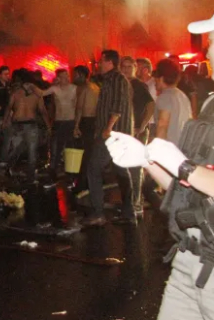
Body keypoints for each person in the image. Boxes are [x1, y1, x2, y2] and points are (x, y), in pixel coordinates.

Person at [105, 133, 214, 320]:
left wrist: (185, 167)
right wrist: (146, 160)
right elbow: (185, 192)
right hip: (189, 259)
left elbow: (190, 172)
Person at [81, 50, 135, 227]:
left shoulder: (117, 79)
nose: (98, 64)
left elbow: (118, 107)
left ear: (109, 62)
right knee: (121, 171)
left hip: (113, 135)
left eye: (101, 61)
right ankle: (129, 212)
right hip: (114, 134)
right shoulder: (110, 80)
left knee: (93, 168)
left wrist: (108, 128)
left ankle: (98, 213)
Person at [121, 56, 155, 217]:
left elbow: (151, 105)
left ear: (135, 68)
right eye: (124, 66)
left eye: (130, 66)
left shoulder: (138, 85)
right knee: (127, 168)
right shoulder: (123, 85)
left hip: (136, 132)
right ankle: (132, 202)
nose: (126, 69)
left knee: (134, 168)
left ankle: (136, 203)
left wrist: (141, 126)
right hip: (126, 132)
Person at [28, 68, 77, 179]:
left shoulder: (74, 88)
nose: (66, 78)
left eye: (67, 76)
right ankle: (53, 171)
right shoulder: (55, 88)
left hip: (71, 121)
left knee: (70, 147)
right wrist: (32, 86)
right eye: (63, 76)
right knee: (56, 148)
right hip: (59, 122)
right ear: (58, 78)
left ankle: (71, 173)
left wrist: (77, 123)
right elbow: (42, 93)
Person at [4, 70, 50, 182]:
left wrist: (48, 126)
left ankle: (30, 176)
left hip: (29, 125)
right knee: (18, 150)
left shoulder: (34, 95)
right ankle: (10, 168)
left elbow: (43, 111)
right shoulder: (17, 93)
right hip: (20, 125)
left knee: (30, 151)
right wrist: (5, 121)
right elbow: (9, 108)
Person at [72, 65, 100, 191]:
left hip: (86, 121)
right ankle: (89, 181)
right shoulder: (96, 87)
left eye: (75, 75)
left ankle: (82, 183)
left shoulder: (84, 89)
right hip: (94, 121)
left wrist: (76, 126)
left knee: (84, 154)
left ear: (81, 75)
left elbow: (79, 108)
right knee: (90, 153)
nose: (73, 77)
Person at [154, 59, 192, 144]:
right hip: (183, 145)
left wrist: (158, 148)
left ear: (161, 78)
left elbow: (162, 125)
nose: (154, 80)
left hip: (170, 147)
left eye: (155, 76)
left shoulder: (165, 97)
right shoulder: (182, 95)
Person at [136, 58, 158, 138]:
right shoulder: (138, 84)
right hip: (141, 122)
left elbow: (152, 103)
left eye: (137, 67)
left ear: (145, 70)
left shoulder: (154, 84)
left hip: (152, 122)